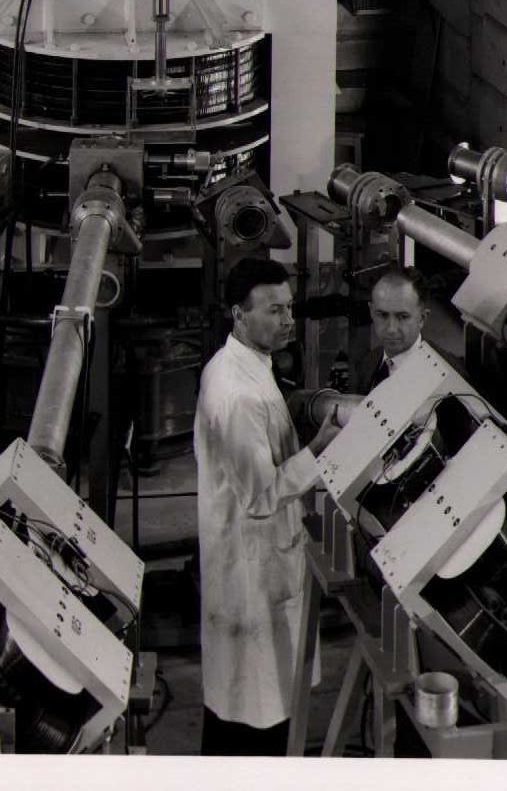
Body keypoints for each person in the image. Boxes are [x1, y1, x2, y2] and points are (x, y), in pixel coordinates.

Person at [195, 257, 341, 756]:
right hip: (250, 569)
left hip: (254, 559)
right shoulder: (237, 392)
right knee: (255, 716)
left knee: (246, 703)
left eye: (289, 308)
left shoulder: (242, 366)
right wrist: (319, 451)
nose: (287, 321)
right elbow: (260, 495)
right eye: (274, 311)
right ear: (239, 315)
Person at [350, 265, 444, 396]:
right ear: (371, 312)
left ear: (422, 318)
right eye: (382, 315)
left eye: (403, 317)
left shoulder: (444, 376)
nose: (391, 329)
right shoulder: (367, 363)